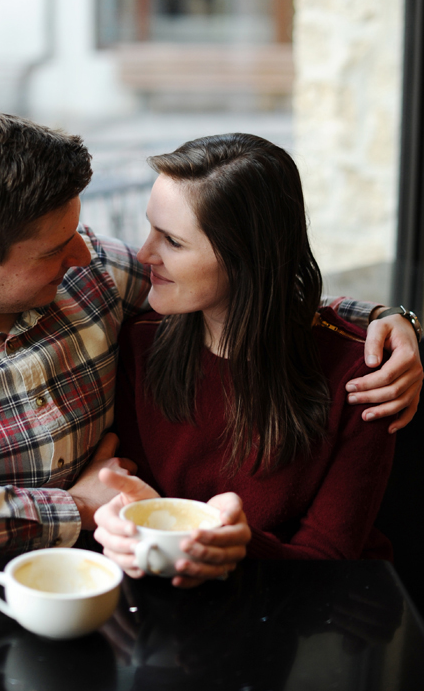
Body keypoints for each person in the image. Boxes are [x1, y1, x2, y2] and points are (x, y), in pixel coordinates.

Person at [0, 109, 422, 563]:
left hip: (97, 589)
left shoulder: (91, 275)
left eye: (79, 229)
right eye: (53, 248)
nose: (86, 253)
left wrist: (386, 322)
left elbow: (245, 289)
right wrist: (78, 509)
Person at [94, 133, 410, 586]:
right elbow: (142, 508)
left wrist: (240, 549)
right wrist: (120, 528)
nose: (144, 254)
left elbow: (332, 557)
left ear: (246, 257)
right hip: (176, 604)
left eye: (173, 242)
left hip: (317, 612)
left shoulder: (360, 375)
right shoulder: (140, 344)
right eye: (150, 229)